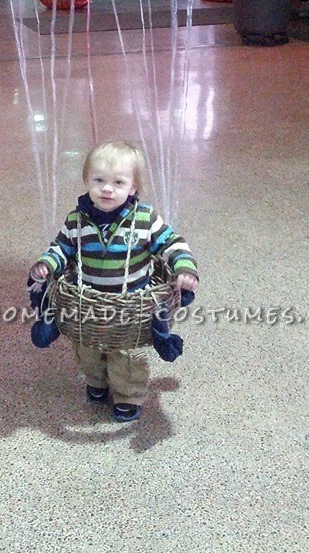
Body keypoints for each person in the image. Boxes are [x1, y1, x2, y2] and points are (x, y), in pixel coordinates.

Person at [29, 140, 199, 423]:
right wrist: (48, 263)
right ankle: (96, 382)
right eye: (99, 180)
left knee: (127, 357)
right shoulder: (77, 219)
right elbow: (61, 247)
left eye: (118, 182)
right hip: (87, 305)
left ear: (133, 187)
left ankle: (128, 395)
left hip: (131, 309)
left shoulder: (144, 219)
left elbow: (172, 243)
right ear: (86, 181)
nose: (107, 189)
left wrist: (184, 268)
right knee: (87, 348)